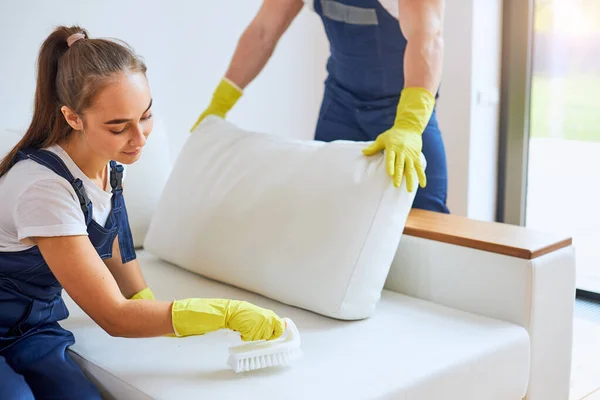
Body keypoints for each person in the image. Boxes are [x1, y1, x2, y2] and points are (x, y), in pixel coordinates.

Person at [0, 26, 285, 399]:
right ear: (72, 118)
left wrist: (156, 315)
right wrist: (224, 313)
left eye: (145, 116)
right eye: (119, 127)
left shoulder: (107, 168)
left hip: (33, 330)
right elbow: (113, 316)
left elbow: (114, 250)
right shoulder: (44, 188)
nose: (140, 138)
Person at [191, 0, 449, 214]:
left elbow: (427, 38)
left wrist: (409, 126)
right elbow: (263, 32)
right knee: (326, 215)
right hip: (341, 108)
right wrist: (219, 104)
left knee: (426, 223)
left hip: (403, 114)